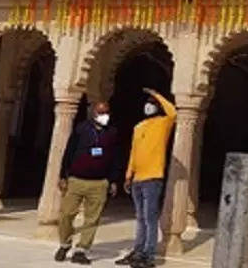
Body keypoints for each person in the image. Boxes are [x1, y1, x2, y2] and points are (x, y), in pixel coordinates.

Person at [55, 102, 119, 265]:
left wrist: (112, 180)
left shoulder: (111, 132)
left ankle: (82, 249)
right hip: (77, 179)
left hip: (98, 182)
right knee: (66, 214)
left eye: (106, 112)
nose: (104, 115)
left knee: (92, 218)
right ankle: (65, 243)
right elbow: (69, 152)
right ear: (94, 113)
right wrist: (63, 175)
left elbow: (115, 158)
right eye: (101, 112)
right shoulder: (81, 129)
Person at [118, 88, 176, 268]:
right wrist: (128, 175)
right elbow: (133, 153)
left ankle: (148, 256)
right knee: (141, 218)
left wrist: (157, 95)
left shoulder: (163, 123)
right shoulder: (139, 127)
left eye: (152, 104)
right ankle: (138, 251)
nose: (148, 106)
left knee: (150, 218)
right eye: (148, 103)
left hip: (153, 178)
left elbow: (173, 112)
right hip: (137, 179)